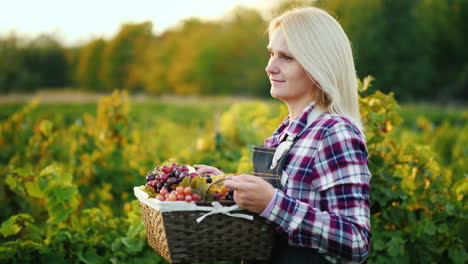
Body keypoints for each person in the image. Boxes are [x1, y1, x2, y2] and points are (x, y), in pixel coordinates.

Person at [195, 6, 371, 264]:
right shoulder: (285, 132)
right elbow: (275, 208)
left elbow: (357, 241)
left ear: (317, 64)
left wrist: (273, 203)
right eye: (271, 53)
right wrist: (226, 187)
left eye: (286, 57)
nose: (270, 67)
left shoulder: (334, 131)